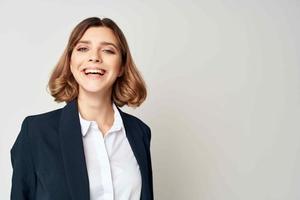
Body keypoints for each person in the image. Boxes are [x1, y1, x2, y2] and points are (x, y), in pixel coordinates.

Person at [10, 17, 153, 200]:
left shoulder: (139, 132)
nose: (94, 57)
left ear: (121, 67)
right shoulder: (36, 132)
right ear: (70, 62)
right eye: (83, 49)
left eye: (108, 50)